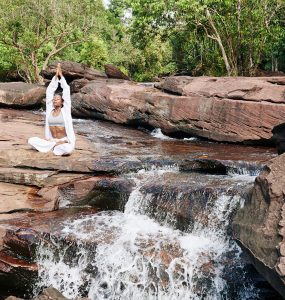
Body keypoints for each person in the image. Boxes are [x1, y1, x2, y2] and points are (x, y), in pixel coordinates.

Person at [28, 63, 76, 156]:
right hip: (51, 140)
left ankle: (55, 147)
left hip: (64, 141)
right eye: (54, 99)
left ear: (62, 101)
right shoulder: (50, 110)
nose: (54, 100)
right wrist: (55, 77)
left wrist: (61, 76)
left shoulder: (65, 110)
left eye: (57, 99)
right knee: (31, 140)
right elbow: (49, 91)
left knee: (68, 149)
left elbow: (66, 90)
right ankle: (53, 146)